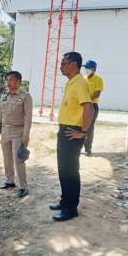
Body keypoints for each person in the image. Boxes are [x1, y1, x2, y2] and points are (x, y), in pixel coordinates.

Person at [49, 52, 94, 222]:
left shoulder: (80, 83)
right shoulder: (71, 83)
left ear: (73, 64)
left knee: (70, 171)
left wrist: (82, 132)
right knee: (63, 170)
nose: (61, 67)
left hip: (72, 132)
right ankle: (65, 201)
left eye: (63, 63)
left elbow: (89, 109)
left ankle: (70, 209)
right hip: (65, 130)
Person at [0, 71, 33, 198]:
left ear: (18, 82)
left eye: (11, 79)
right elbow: (0, 116)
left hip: (18, 131)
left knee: (19, 159)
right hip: (5, 131)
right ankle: (10, 181)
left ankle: (23, 186)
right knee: (7, 158)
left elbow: (28, 117)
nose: (8, 82)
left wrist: (26, 135)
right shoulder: (4, 96)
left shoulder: (25, 96)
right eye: (7, 79)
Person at [83, 60, 104, 156]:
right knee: (80, 127)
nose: (86, 69)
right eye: (85, 67)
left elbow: (97, 94)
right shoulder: (83, 79)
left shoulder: (98, 79)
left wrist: (87, 100)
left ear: (94, 69)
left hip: (92, 106)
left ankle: (88, 148)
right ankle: (79, 147)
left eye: (89, 67)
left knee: (89, 127)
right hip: (82, 105)